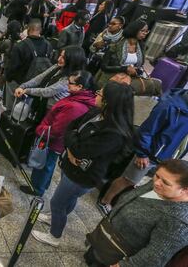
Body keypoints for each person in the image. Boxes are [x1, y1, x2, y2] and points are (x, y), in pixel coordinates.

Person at [31, 82, 135, 247]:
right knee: (68, 199)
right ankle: (54, 217)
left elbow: (81, 149)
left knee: (57, 202)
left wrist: (74, 145)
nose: (96, 95)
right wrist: (73, 146)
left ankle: (54, 235)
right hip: (72, 166)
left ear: (109, 101)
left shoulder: (114, 134)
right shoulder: (96, 112)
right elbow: (71, 128)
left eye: (100, 93)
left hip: (84, 175)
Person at [98, 88, 188, 214]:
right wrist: (142, 153)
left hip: (167, 158)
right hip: (150, 154)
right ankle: (105, 201)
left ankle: (123, 206)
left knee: (148, 186)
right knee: (128, 179)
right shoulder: (169, 106)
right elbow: (146, 131)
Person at [84, 159, 188, 267]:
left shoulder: (179, 221)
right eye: (157, 176)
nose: (156, 183)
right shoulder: (159, 187)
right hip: (104, 239)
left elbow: (154, 257)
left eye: (166, 183)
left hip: (116, 258)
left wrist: (124, 265)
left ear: (185, 190)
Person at [19, 71, 96, 196]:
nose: (67, 85)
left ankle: (37, 188)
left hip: (53, 141)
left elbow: (56, 130)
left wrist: (40, 130)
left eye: (70, 83)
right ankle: (43, 185)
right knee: (48, 164)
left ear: (80, 87)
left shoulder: (75, 107)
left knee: (44, 165)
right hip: (57, 140)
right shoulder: (79, 98)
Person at [15, 47, 87, 119]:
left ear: (72, 61)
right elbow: (39, 78)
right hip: (41, 103)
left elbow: (48, 91)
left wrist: (26, 90)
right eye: (60, 55)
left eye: (63, 57)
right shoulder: (57, 67)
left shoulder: (71, 78)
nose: (59, 59)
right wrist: (22, 86)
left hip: (51, 111)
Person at [95, 20, 162, 96]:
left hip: (129, 78)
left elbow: (139, 65)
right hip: (112, 77)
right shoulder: (116, 45)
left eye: (147, 31)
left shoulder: (142, 46)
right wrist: (124, 69)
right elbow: (104, 67)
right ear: (134, 30)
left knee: (157, 84)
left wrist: (138, 71)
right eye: (142, 31)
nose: (145, 33)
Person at [4, 20, 53, 110]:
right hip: (36, 85)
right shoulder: (48, 45)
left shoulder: (20, 46)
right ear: (40, 30)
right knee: (26, 109)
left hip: (18, 83)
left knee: (12, 108)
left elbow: (12, 67)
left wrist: (7, 78)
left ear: (28, 29)